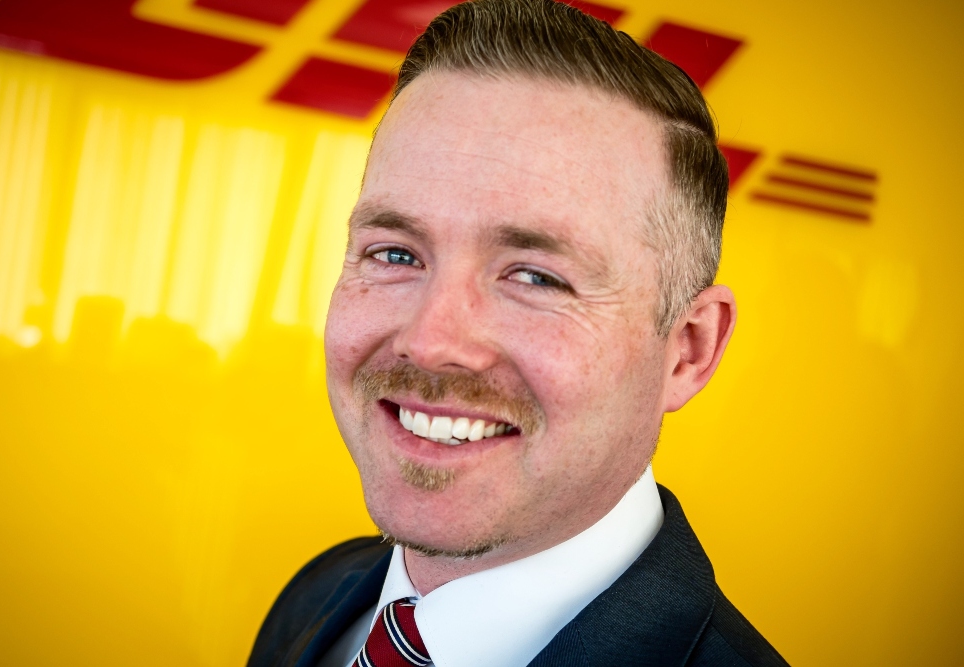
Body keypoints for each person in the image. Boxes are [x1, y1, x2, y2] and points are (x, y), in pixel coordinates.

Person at [249, 0, 788, 665]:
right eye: (395, 254)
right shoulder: (318, 595)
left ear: (688, 350)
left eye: (536, 277)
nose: (431, 341)